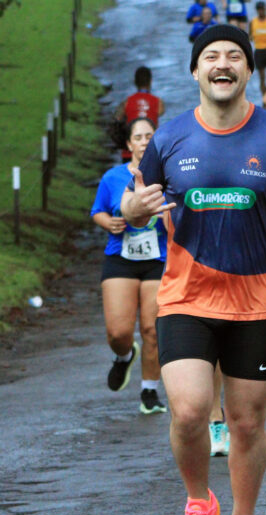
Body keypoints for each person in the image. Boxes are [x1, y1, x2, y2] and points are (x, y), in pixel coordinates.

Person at [121, 24, 266, 515]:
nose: (222, 63)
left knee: (245, 421)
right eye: (211, 56)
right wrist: (136, 210)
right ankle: (198, 503)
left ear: (249, 70)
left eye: (234, 56)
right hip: (185, 295)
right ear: (195, 71)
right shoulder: (169, 139)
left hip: (257, 299)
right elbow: (131, 204)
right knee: (190, 410)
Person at [90, 118, 168, 415]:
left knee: (152, 328)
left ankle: (149, 392)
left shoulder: (167, 176)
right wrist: (107, 222)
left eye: (150, 135)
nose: (145, 141)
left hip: (157, 260)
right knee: (119, 333)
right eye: (139, 136)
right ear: (129, 144)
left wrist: (166, 219)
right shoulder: (112, 177)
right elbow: (97, 211)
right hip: (121, 258)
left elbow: (182, 213)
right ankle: (123, 357)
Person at [113, 67, 166, 161]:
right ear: (150, 81)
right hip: (150, 150)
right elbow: (160, 113)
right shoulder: (158, 102)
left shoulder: (126, 102)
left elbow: (117, 118)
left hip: (130, 151)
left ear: (135, 82)